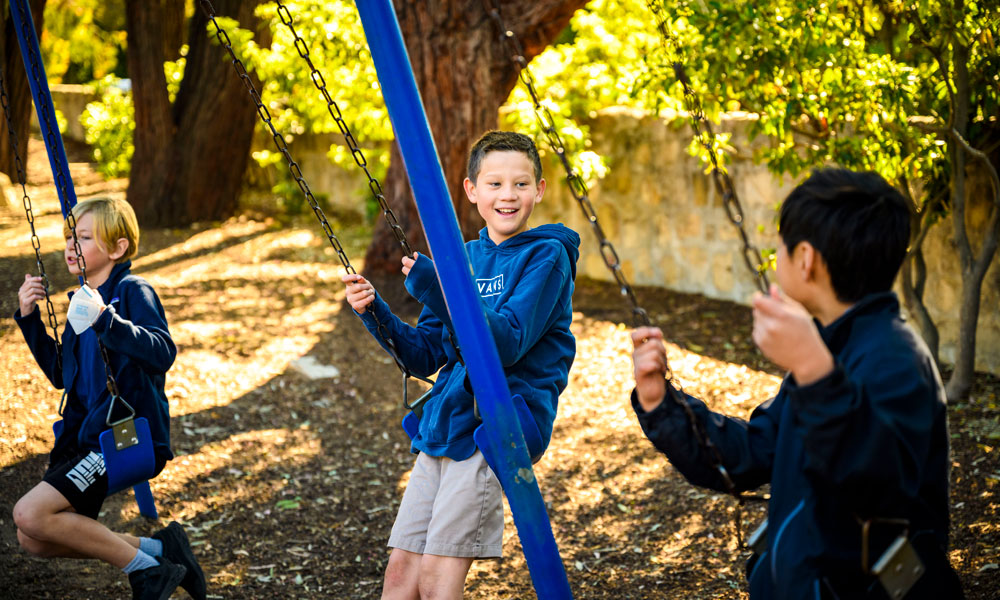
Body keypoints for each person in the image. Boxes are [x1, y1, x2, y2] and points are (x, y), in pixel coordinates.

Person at [630, 168, 963, 599]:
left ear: (805, 259)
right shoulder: (835, 345)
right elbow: (753, 452)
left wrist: (813, 370)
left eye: (782, 245)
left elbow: (876, 491)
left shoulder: (895, 359)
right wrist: (661, 405)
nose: (777, 256)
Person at [343, 130, 579, 599]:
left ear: (539, 190)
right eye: (494, 184)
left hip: (496, 424)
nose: (507, 195)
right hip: (444, 424)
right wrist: (375, 312)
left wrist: (442, 288)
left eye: (520, 184)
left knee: (435, 582)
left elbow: (506, 343)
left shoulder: (547, 256)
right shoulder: (465, 258)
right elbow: (426, 352)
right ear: (472, 191)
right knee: (400, 577)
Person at [13, 197, 206, 600]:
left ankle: (147, 571)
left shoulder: (132, 291)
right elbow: (61, 375)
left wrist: (108, 321)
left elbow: (162, 352)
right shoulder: (81, 301)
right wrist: (30, 317)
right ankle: (162, 551)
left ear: (117, 248)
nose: (71, 245)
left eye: (84, 237)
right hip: (87, 440)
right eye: (69, 236)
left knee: (29, 513)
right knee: (33, 537)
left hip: (126, 436)